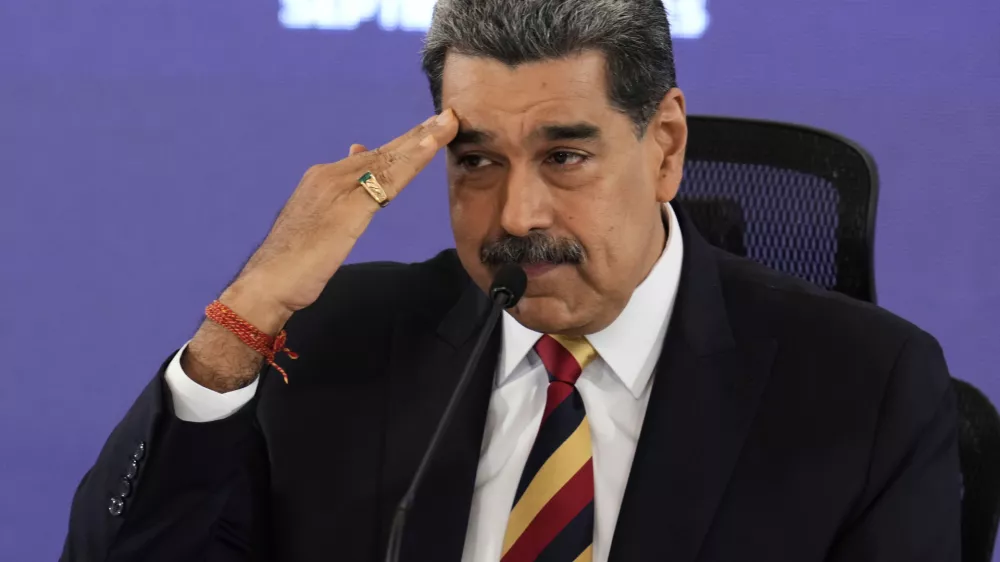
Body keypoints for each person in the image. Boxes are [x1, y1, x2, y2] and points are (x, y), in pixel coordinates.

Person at [61, 0, 961, 560]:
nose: (518, 215)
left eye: (565, 154)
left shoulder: (862, 385)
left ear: (665, 146)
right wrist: (244, 316)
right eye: (478, 161)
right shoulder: (335, 342)